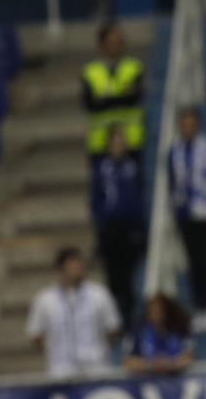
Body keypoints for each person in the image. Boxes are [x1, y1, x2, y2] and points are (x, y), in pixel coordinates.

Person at [169, 108, 206, 333]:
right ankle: (199, 308)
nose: (188, 128)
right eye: (185, 124)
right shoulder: (175, 151)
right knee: (192, 262)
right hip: (186, 213)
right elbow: (172, 181)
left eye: (192, 123)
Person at [26, 247, 121, 378]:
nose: (78, 270)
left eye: (80, 265)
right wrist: (53, 350)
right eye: (72, 266)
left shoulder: (99, 294)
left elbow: (112, 329)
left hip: (96, 367)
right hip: (61, 369)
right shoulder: (45, 299)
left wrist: (99, 350)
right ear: (60, 269)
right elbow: (35, 333)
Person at [91, 130, 145, 325]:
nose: (119, 147)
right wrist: (101, 224)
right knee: (113, 278)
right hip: (110, 229)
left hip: (130, 229)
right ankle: (115, 319)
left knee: (129, 276)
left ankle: (130, 319)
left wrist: (139, 227)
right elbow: (96, 199)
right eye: (115, 143)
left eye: (122, 143)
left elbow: (138, 197)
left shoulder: (132, 168)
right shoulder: (102, 169)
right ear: (108, 146)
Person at [82, 23, 145, 163]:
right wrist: (122, 94)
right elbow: (89, 104)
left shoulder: (134, 67)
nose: (115, 46)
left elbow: (134, 98)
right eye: (110, 42)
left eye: (118, 42)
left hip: (131, 141)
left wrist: (104, 98)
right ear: (101, 44)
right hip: (99, 143)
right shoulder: (90, 71)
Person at [123, 294, 194, 375]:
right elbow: (127, 362)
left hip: (175, 380)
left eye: (159, 310)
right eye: (152, 310)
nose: (156, 313)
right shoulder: (137, 332)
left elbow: (189, 357)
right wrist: (150, 365)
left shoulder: (180, 330)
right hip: (146, 382)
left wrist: (170, 364)